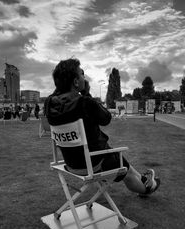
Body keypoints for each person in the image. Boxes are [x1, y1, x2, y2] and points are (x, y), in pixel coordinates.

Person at [45, 58, 160, 197]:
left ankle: (143, 179)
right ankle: (148, 188)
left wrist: (64, 84)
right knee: (125, 169)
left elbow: (60, 95)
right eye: (82, 73)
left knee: (118, 159)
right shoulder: (84, 102)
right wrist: (86, 93)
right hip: (94, 163)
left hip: (71, 164)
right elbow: (106, 118)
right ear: (76, 81)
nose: (84, 76)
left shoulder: (49, 103)